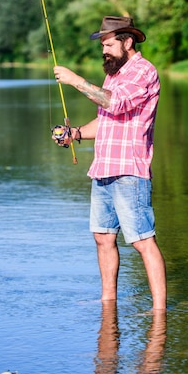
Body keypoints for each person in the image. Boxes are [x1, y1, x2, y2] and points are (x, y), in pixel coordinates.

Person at [53, 16, 167, 311]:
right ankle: (108, 303)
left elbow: (114, 103)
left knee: (143, 241)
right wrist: (75, 133)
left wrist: (75, 80)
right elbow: (107, 121)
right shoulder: (113, 75)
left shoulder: (144, 71)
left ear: (127, 42)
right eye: (102, 44)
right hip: (103, 169)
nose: (104, 50)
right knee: (103, 238)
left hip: (130, 171)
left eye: (108, 44)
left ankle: (159, 312)